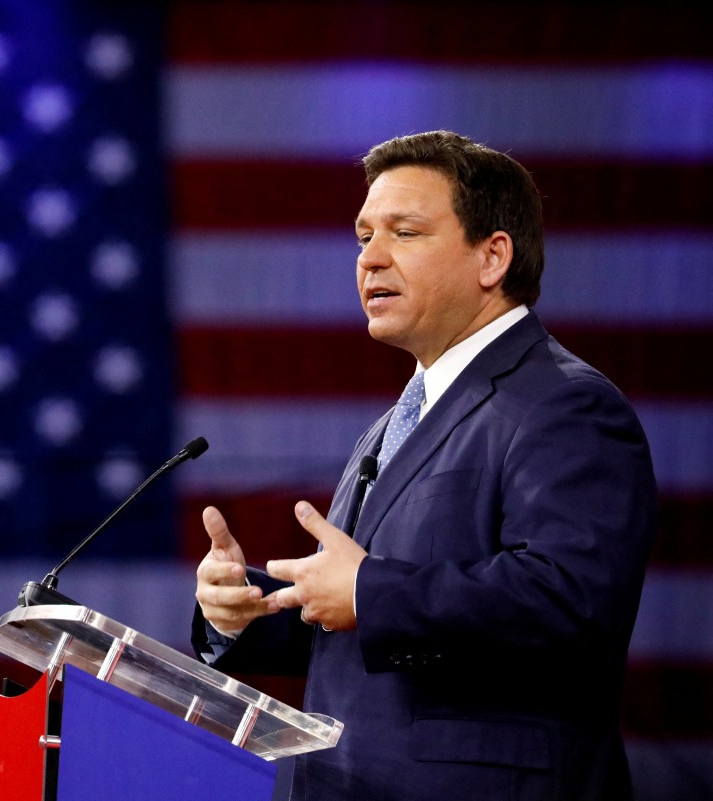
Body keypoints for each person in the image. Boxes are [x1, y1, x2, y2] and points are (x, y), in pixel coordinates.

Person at [192, 130, 657, 801]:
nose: (370, 259)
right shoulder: (399, 418)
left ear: (493, 256)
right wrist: (245, 611)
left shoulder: (567, 405)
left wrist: (368, 591)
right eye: (362, 236)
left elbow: (568, 602)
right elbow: (369, 629)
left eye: (404, 232)